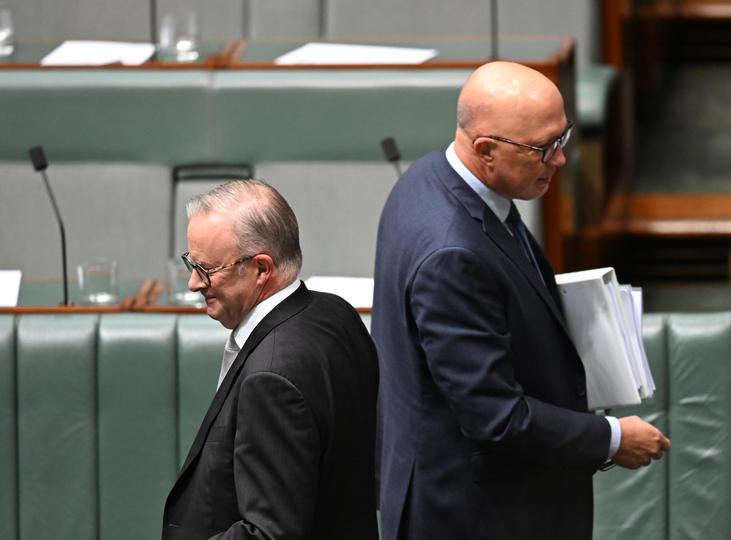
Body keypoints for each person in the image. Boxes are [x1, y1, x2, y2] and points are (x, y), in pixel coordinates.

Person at [372, 61, 670, 540]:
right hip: (473, 513)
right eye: (543, 148)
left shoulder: (429, 177)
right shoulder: (452, 253)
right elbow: (496, 417)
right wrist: (611, 440)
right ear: (485, 149)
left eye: (562, 137)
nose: (560, 160)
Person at [162, 179, 379, 540]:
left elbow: (269, 533)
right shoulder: (336, 314)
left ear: (261, 269)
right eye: (191, 263)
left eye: (207, 269)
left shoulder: (271, 378)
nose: (193, 284)